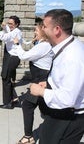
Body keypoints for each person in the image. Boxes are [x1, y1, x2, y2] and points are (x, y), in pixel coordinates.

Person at [30, 9, 84, 144]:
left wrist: (41, 92)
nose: (42, 29)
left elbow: (67, 98)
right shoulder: (69, 47)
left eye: (44, 26)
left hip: (68, 117)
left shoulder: (72, 57)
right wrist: (49, 84)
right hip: (64, 114)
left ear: (57, 30)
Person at [14, 20, 53, 144]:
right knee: (45, 108)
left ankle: (28, 137)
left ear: (42, 31)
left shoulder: (44, 45)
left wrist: (16, 44)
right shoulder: (43, 44)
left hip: (40, 80)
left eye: (36, 29)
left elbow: (24, 56)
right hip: (41, 79)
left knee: (27, 105)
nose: (34, 31)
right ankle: (52, 128)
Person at [0, 16, 22, 109]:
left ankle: (8, 103)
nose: (9, 25)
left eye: (11, 23)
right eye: (9, 23)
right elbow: (8, 30)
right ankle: (14, 99)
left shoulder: (16, 32)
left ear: (17, 24)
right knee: (9, 79)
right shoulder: (14, 30)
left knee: (6, 79)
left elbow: (4, 37)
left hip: (12, 58)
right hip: (10, 57)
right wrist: (5, 27)